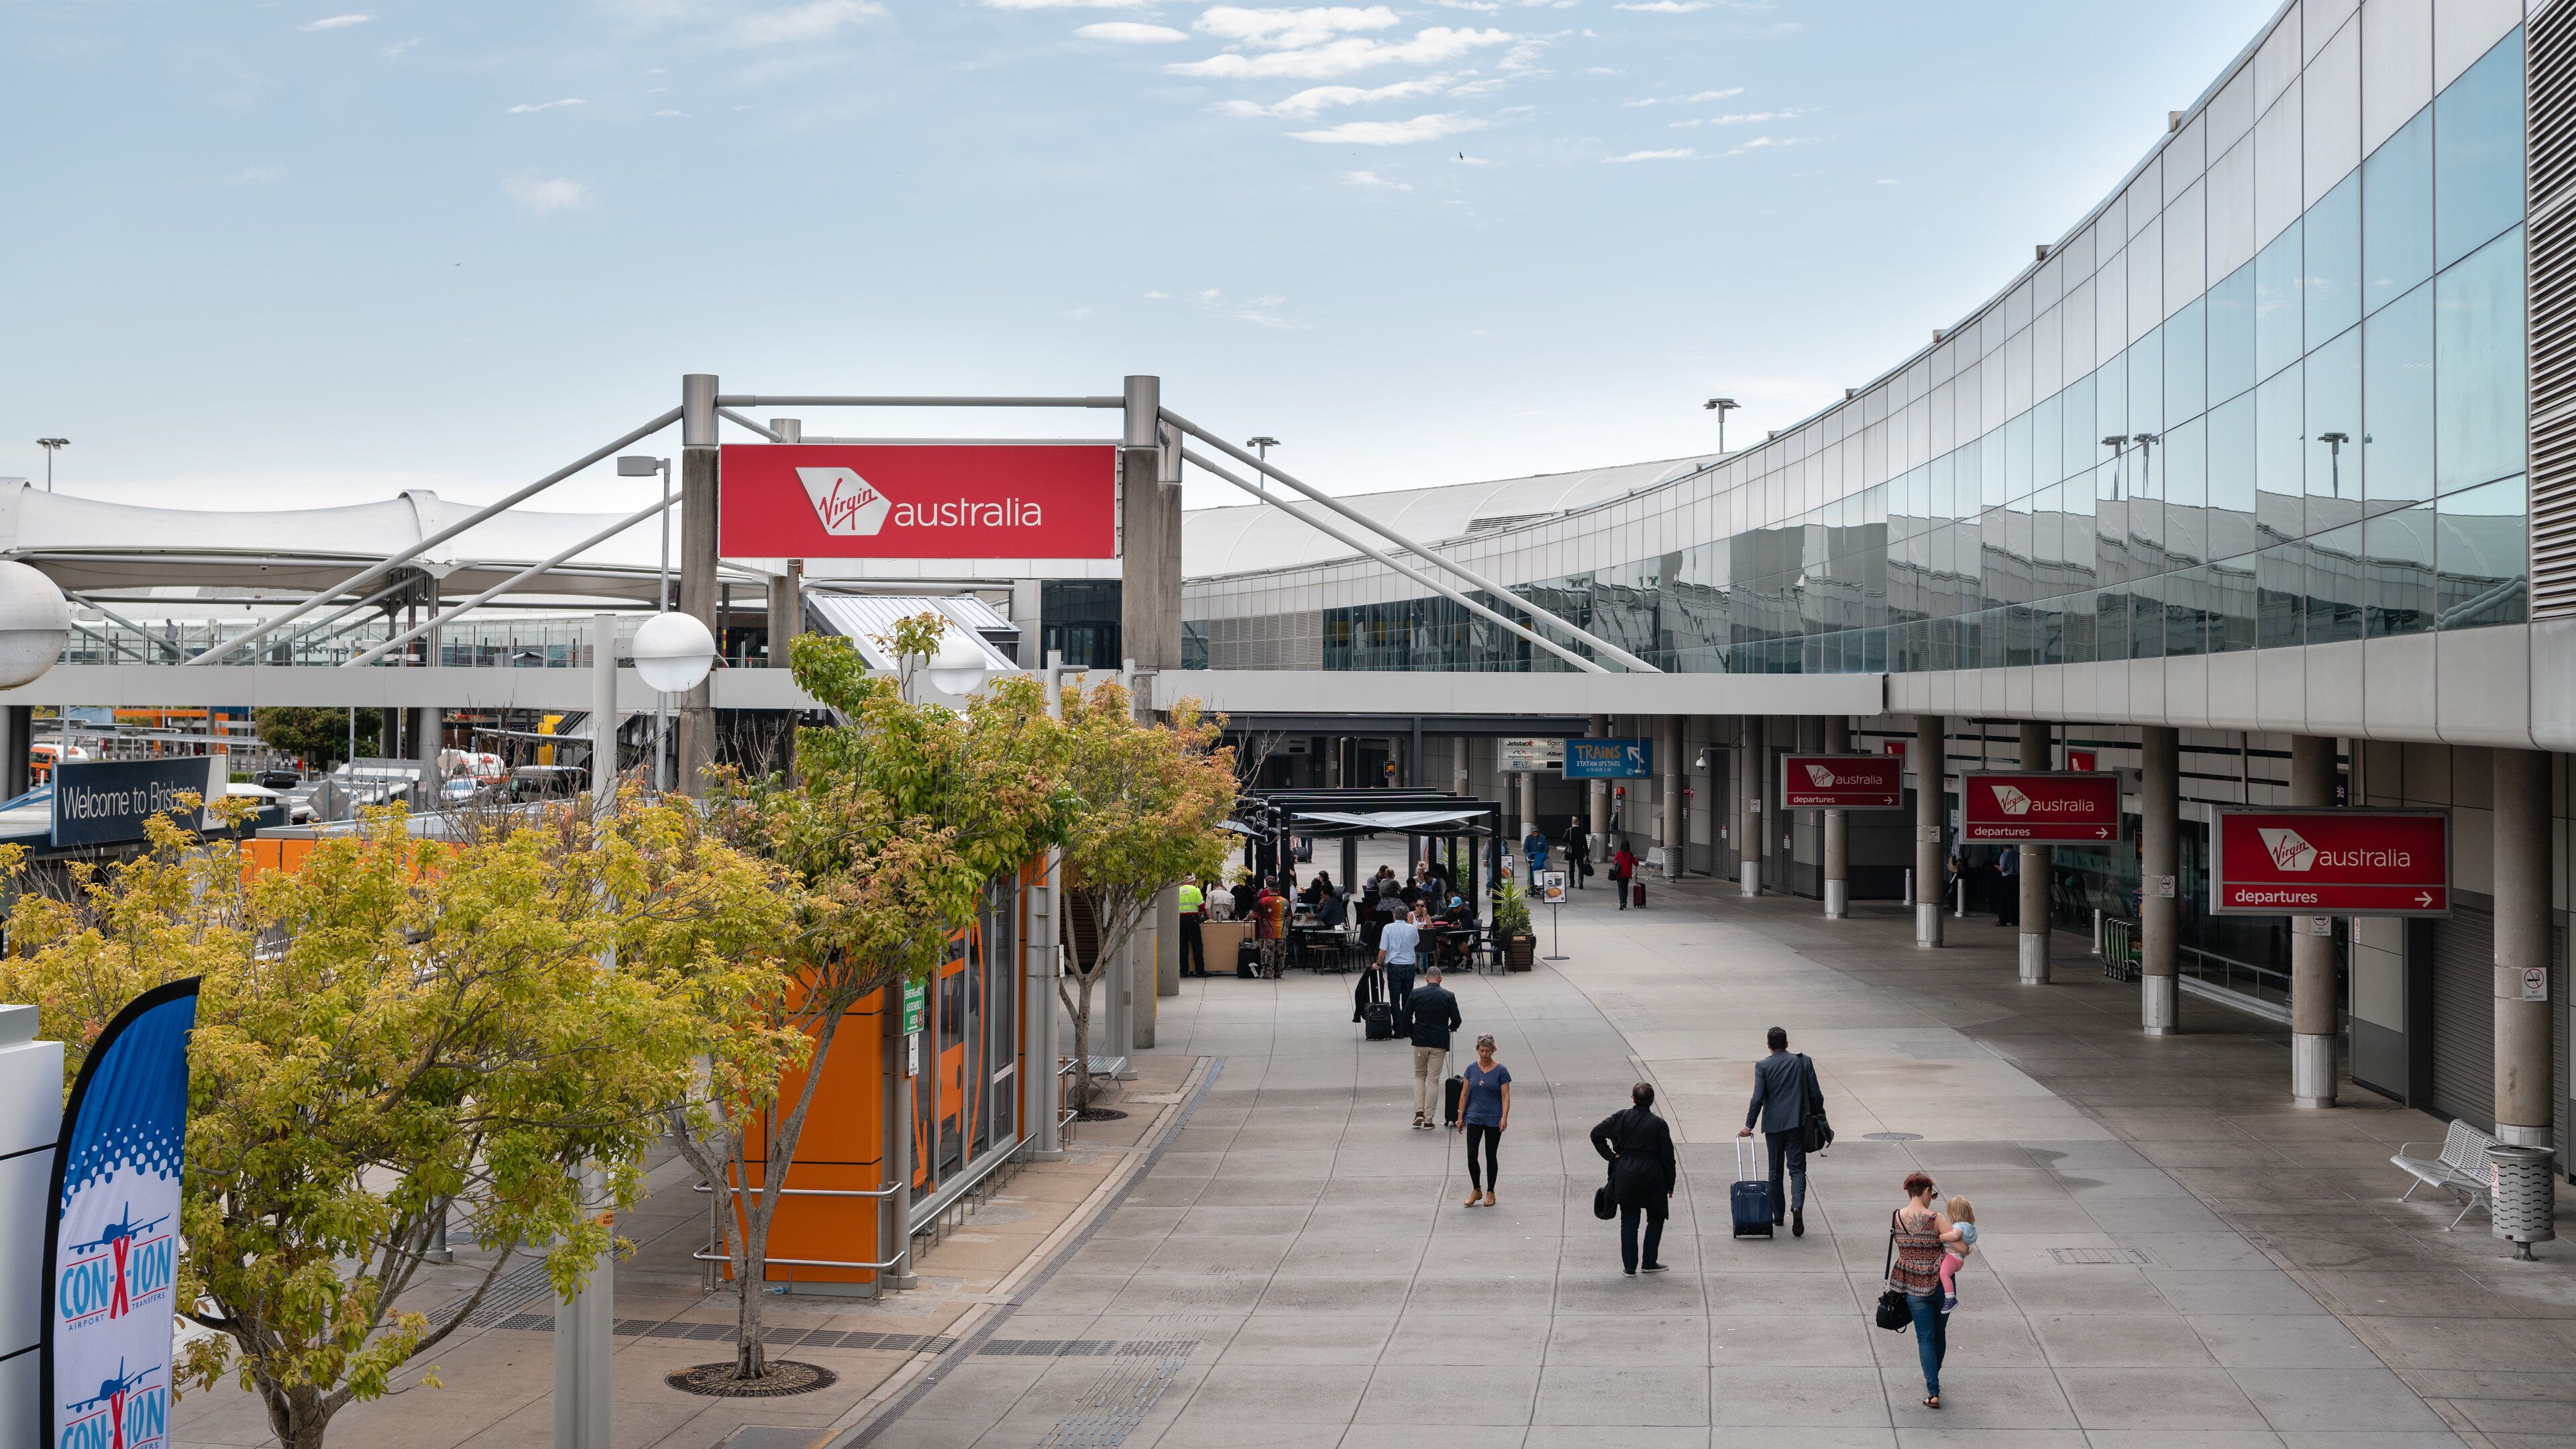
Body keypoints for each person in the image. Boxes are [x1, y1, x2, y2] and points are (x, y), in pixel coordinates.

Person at [1735, 1026, 1819, 1236]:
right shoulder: (1803, 1061)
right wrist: (1819, 1117)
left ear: (1769, 1046)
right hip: (1797, 1124)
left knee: (1775, 1171)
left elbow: (1757, 1098)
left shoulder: (1763, 1066)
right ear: (1787, 1044)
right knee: (1797, 1170)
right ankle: (1797, 1206)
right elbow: (1816, 1093)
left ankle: (1778, 1215)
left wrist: (1749, 1125)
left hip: (1773, 1126)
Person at [1591, 1082, 1678, 1275]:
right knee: (1656, 1219)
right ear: (1652, 1101)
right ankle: (1649, 1262)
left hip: (1626, 1174)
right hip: (1653, 1176)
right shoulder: (1659, 1124)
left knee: (1629, 1221)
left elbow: (1596, 1133)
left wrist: (1611, 1155)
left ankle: (1630, 1267)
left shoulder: (1620, 1117)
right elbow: (1667, 1157)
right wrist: (1670, 1183)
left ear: (1633, 1099)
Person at [1890, 1171, 1960, 1409]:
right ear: (1928, 1191)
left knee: (1925, 1338)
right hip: (1941, 1284)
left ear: (1909, 1191)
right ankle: (1933, 1377)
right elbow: (1962, 1246)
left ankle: (1933, 1390)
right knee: (1939, 1335)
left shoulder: (1896, 1217)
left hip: (1912, 1285)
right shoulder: (1937, 1218)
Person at [1454, 1032, 1511, 1205]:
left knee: (1490, 1155)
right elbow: (1464, 1093)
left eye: (1487, 1050)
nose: (1484, 1054)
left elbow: (1506, 1096)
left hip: (1493, 1117)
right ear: (1477, 1050)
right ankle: (1476, 1189)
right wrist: (1460, 1116)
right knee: (1472, 1154)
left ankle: (1491, 1192)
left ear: (1493, 1051)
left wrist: (1504, 1117)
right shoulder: (1471, 1069)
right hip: (1474, 1116)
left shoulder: (1501, 1070)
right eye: (1481, 1050)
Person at [1406, 963, 1462, 1130]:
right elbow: (1457, 1020)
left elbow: (1406, 1017)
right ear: (1441, 979)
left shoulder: (1416, 994)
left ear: (1425, 978)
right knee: (1433, 1080)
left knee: (1419, 1076)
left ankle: (1419, 1112)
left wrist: (1413, 1033)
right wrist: (1450, 1029)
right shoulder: (1448, 996)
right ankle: (1429, 1120)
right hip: (1439, 1042)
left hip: (1420, 1041)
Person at [1378, 902, 1424, 1039]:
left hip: (1395, 965)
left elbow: (1383, 949)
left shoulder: (1388, 928)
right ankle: (1408, 1027)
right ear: (1406, 917)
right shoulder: (1412, 929)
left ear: (1394, 916)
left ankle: (1398, 1030)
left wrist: (1378, 963)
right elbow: (1416, 943)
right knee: (1408, 999)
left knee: (1395, 999)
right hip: (1409, 965)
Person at [1940, 1195, 1977, 1313]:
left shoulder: (1959, 1226)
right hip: (1958, 1259)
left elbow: (1955, 1236)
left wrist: (1942, 1237)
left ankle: (1950, 1298)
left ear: (1954, 1213)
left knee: (1944, 1274)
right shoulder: (1971, 1226)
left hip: (1952, 1257)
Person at [1256, 876, 1288, 977]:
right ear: (1278, 890)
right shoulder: (1285, 902)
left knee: (1268, 953)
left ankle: (1268, 973)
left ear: (1269, 889)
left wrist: (1247, 917)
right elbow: (1289, 916)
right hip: (1281, 931)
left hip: (1268, 931)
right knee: (1280, 953)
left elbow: (1253, 914)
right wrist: (1286, 926)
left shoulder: (1263, 901)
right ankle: (1278, 973)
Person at [1177, 875, 1208, 978]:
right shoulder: (1195, 890)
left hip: (1180, 920)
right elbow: (1202, 906)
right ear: (1193, 882)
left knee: (1182, 946)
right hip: (1192, 919)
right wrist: (1200, 914)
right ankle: (1200, 971)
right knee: (1197, 945)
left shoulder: (1178, 890)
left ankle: (1184, 972)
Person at [1564, 818, 1591, 889]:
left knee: (1571, 867)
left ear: (1573, 823)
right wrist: (1587, 853)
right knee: (1580, 867)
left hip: (1571, 852)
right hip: (1580, 852)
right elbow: (1585, 843)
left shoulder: (1569, 830)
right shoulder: (1582, 831)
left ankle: (1572, 883)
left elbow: (1563, 839)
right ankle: (1581, 882)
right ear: (1578, 823)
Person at [1995, 847, 2020, 926]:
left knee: (2004, 901)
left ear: (2004, 847)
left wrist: (1997, 867)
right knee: (2015, 901)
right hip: (2017, 878)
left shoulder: (2005, 855)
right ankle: (2015, 920)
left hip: (2007, 878)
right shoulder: (2017, 854)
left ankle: (2003, 920)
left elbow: (2003, 869)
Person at [1612, 841, 1638, 910]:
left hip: (1619, 874)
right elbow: (1636, 863)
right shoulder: (1630, 854)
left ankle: (1621, 903)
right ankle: (1625, 902)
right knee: (1625, 888)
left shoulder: (1618, 853)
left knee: (1620, 889)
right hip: (1627, 874)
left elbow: (1614, 863)